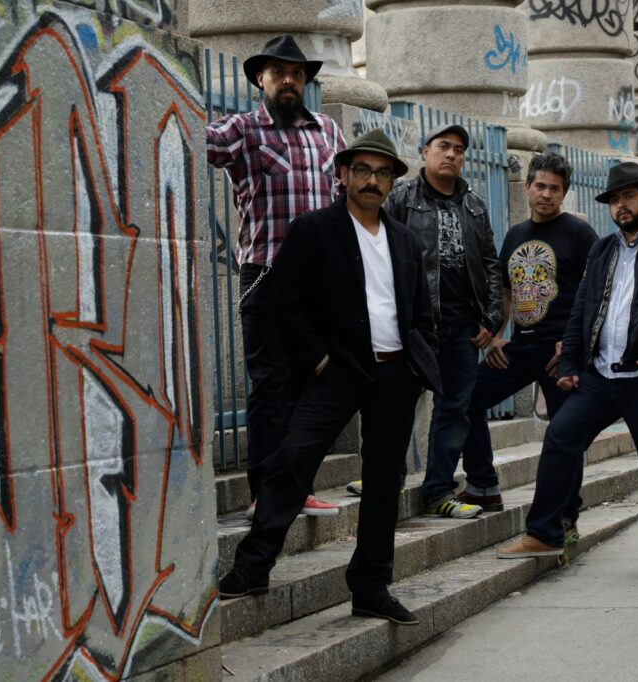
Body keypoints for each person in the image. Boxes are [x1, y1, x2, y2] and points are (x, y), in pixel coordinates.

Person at [217, 130, 441, 626]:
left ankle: (371, 587)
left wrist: (420, 366)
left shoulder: (404, 240)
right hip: (337, 370)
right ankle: (253, 567)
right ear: (343, 175)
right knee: (293, 459)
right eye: (362, 170)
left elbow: (421, 310)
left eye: (382, 173)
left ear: (391, 182)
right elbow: (286, 301)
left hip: (395, 372)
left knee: (385, 481)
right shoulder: (313, 230)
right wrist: (317, 360)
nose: (372, 181)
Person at [497, 162, 638, 579]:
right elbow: (582, 307)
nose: (621, 206)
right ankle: (545, 532)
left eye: (629, 197)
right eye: (615, 200)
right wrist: (569, 362)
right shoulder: (604, 249)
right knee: (561, 437)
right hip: (600, 377)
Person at [207, 35, 345, 516]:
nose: (289, 80)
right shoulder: (244, 130)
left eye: (297, 74)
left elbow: (346, 197)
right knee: (270, 387)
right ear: (260, 79)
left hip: (320, 284)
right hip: (266, 276)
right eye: (279, 72)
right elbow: (191, 138)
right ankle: (265, 494)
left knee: (311, 390)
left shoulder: (328, 131)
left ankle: (297, 488)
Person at [347, 123, 504, 519]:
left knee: (455, 407)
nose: (451, 154)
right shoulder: (401, 197)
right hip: (416, 323)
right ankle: (386, 474)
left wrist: (492, 317)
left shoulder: (474, 204)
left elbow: (490, 261)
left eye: (459, 149)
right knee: (396, 400)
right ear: (425, 152)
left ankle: (438, 490)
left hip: (464, 325)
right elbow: (377, 251)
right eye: (443, 146)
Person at [433, 153, 597, 523]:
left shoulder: (579, 233)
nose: (546, 194)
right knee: (467, 399)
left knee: (564, 433)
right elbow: (507, 292)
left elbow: (596, 292)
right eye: (540, 186)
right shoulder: (516, 234)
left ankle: (565, 517)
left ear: (564, 193)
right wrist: (495, 336)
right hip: (520, 348)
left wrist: (573, 345)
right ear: (527, 187)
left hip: (560, 354)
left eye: (554, 188)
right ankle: (483, 486)